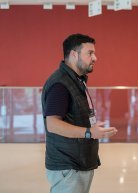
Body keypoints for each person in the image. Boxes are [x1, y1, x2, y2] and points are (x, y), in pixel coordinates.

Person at [41, 33, 118, 193]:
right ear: (74, 55)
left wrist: (92, 127)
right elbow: (53, 124)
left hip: (78, 162)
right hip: (68, 165)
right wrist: (90, 132)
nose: (95, 58)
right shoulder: (60, 84)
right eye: (90, 53)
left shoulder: (76, 80)